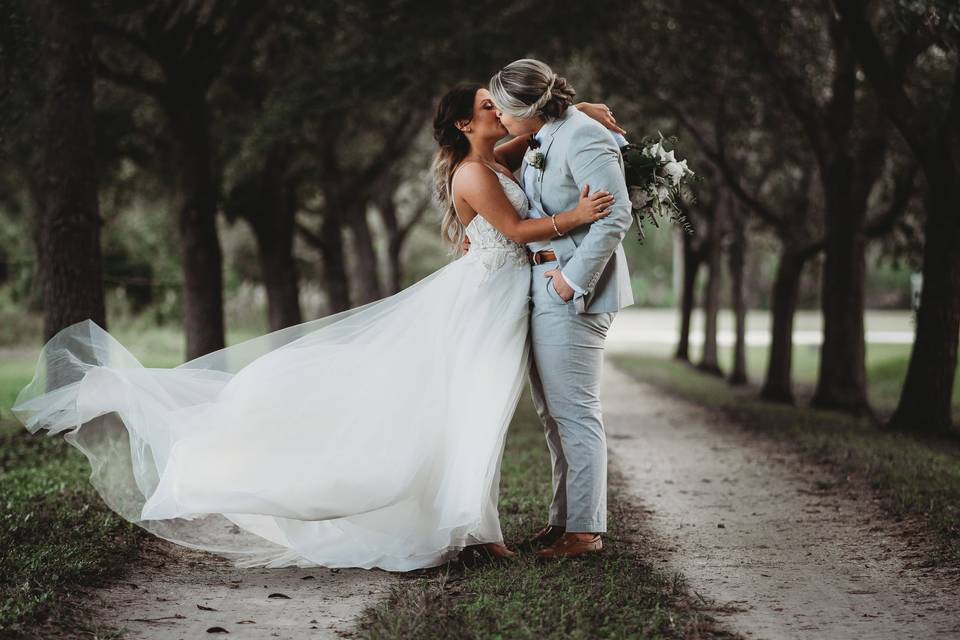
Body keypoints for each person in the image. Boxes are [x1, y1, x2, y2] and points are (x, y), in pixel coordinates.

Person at [11, 80, 622, 571]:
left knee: (477, 412)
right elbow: (515, 232)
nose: (502, 112)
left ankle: (477, 524)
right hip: (483, 305)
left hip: (502, 301)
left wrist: (574, 110)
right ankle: (474, 529)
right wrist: (575, 215)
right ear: (466, 124)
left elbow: (534, 133)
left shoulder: (496, 157)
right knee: (465, 409)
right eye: (490, 107)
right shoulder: (473, 173)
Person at [488, 58, 635, 559]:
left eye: (504, 112)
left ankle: (586, 531)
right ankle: (563, 521)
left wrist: (572, 282)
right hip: (543, 281)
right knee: (553, 415)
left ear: (525, 106)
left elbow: (615, 216)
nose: (500, 121)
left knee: (575, 413)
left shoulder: (582, 136)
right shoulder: (549, 132)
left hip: (573, 288)